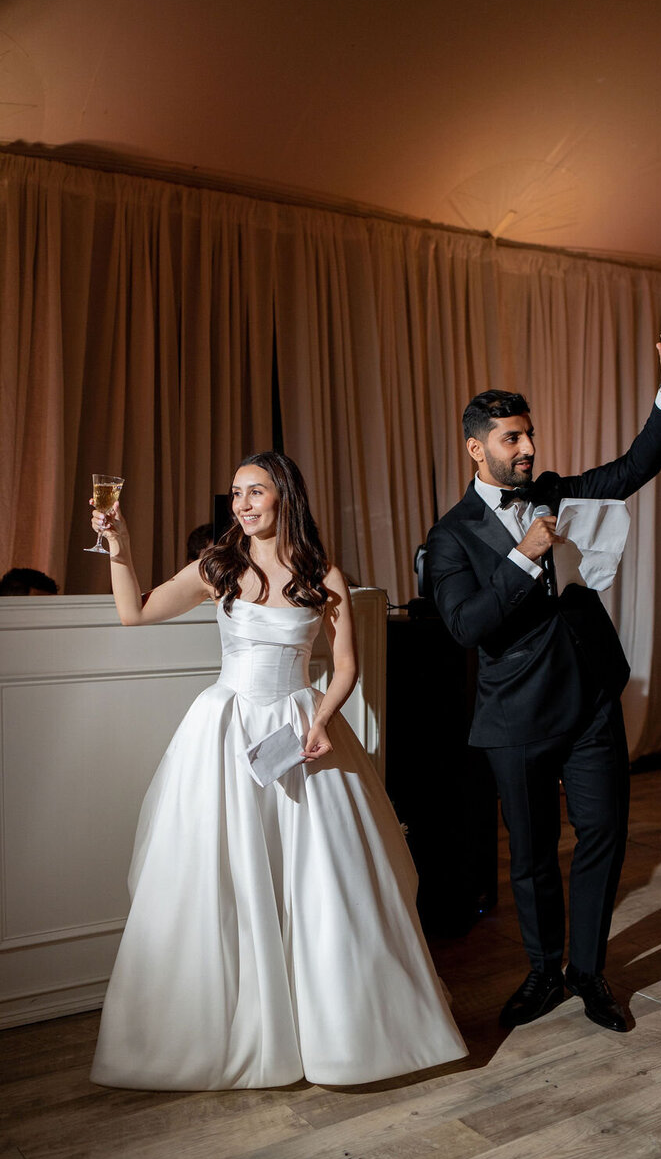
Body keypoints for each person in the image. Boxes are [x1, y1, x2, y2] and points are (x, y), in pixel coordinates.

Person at [90, 451, 466, 1089]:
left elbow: (344, 665)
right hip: (225, 730)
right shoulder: (218, 567)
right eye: (235, 492)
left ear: (284, 495)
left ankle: (337, 1034)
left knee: (319, 879)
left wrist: (320, 720)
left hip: (299, 731)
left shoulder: (322, 573)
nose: (241, 503)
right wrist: (119, 545)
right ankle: (223, 1027)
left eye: (254, 491)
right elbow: (136, 612)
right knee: (223, 875)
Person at [425, 337, 661, 1033]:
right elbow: (466, 626)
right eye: (510, 438)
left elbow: (633, 468)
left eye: (529, 434)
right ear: (475, 449)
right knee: (529, 856)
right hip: (516, 716)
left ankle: (588, 971)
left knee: (604, 834)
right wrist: (523, 560)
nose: (525, 448)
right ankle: (542, 972)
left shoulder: (553, 491)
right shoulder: (450, 536)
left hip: (588, 702)